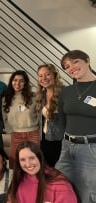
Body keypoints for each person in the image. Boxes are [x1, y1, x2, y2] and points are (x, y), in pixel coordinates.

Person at [56, 50, 96, 203]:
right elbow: (61, 118)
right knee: (61, 188)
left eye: (75, 62)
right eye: (66, 66)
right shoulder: (67, 91)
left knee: (89, 194)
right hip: (67, 147)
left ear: (87, 60)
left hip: (91, 148)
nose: (71, 67)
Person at [7, 140, 77, 203]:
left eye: (31, 158)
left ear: (40, 157)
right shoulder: (18, 180)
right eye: (22, 160)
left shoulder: (60, 185)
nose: (28, 164)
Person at [2, 70, 39, 169]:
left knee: (34, 162)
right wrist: (10, 130)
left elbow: (40, 115)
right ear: (11, 82)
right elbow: (4, 116)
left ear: (25, 83)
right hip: (16, 135)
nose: (17, 83)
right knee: (14, 163)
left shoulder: (34, 97)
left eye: (21, 81)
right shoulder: (6, 98)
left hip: (33, 134)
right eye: (15, 80)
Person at [35, 64, 63, 167]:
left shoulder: (64, 93)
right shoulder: (41, 95)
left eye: (47, 74)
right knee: (47, 172)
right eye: (40, 76)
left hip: (61, 141)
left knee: (60, 173)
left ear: (55, 75)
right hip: (45, 140)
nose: (44, 78)